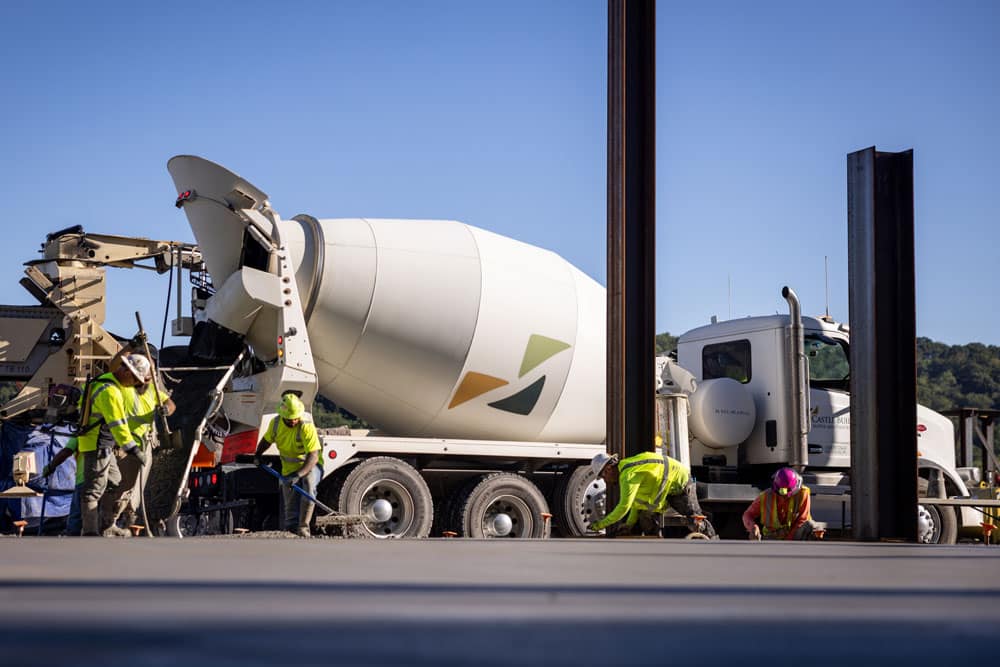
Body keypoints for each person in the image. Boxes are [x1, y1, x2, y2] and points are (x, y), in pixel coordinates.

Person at [99, 354, 175, 532]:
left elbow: (170, 403)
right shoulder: (124, 386)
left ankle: (116, 519)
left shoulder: (153, 391)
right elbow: (115, 364)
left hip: (140, 446)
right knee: (114, 484)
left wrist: (167, 410)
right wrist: (131, 347)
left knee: (128, 487)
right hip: (120, 445)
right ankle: (106, 521)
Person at [76, 354, 146, 536]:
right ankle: (90, 531)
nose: (134, 385)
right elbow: (118, 425)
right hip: (96, 443)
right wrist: (133, 449)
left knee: (114, 481)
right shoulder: (109, 391)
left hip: (102, 443)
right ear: (126, 372)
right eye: (135, 380)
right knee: (94, 489)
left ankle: (107, 524)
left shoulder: (104, 382)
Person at [588, 449, 717, 538]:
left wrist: (600, 525)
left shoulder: (628, 476)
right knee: (645, 519)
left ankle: (714, 543)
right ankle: (656, 547)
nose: (606, 481)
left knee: (695, 521)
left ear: (609, 469)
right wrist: (629, 524)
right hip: (667, 486)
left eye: (603, 477)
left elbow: (623, 507)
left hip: (679, 482)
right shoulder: (626, 470)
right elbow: (634, 503)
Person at [253, 393, 322, 537]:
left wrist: (298, 475)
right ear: (283, 415)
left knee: (309, 491)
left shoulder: (306, 426)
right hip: (288, 468)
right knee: (290, 500)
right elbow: (266, 441)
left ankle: (303, 529)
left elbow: (313, 456)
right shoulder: (276, 424)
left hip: (309, 466)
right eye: (291, 418)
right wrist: (258, 455)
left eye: (296, 417)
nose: (294, 420)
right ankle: (290, 530)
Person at [742, 467, 821, 540]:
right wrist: (753, 527)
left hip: (794, 536)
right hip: (772, 538)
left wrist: (788, 542)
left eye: (787, 495)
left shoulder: (803, 493)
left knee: (811, 526)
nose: (783, 498)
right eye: (780, 495)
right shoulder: (765, 497)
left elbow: (802, 519)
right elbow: (747, 515)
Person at [41, 436, 83, 536]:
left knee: (76, 513)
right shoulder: (104, 434)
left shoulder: (81, 434)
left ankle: (73, 536)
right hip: (102, 478)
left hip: (83, 478)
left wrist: (51, 466)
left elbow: (66, 451)